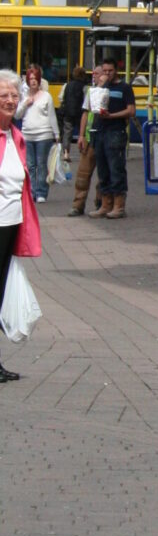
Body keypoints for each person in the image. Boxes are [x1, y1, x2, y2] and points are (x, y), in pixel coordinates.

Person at [0, 69, 43, 381]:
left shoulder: (15, 135)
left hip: (11, 223)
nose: (10, 100)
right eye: (3, 95)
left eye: (14, 95)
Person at [90, 60, 137, 220]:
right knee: (103, 170)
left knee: (116, 168)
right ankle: (105, 204)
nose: (107, 73)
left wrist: (112, 116)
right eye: (104, 71)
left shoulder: (124, 88)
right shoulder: (101, 88)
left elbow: (131, 111)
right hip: (100, 131)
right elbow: (91, 107)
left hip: (116, 131)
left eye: (110, 70)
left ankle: (119, 205)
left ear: (117, 70)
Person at [14, 65, 59, 204]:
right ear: (27, 81)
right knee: (30, 165)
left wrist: (56, 133)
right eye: (30, 79)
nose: (33, 81)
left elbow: (52, 116)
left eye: (35, 79)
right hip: (27, 135)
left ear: (39, 80)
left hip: (43, 135)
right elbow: (17, 115)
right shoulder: (24, 97)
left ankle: (41, 193)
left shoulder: (46, 96)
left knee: (41, 164)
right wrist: (25, 103)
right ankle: (31, 192)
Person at [68, 64, 106, 218]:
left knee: (104, 175)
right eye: (94, 74)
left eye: (97, 74)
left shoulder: (110, 90)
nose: (94, 76)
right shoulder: (91, 91)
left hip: (105, 138)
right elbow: (85, 113)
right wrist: (81, 135)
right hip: (90, 138)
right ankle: (78, 205)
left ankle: (100, 203)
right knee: (83, 175)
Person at [58, 64, 86, 157]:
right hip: (80, 113)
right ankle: (83, 151)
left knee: (67, 132)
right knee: (82, 132)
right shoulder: (84, 87)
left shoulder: (67, 85)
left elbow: (61, 98)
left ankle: (66, 153)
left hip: (68, 112)